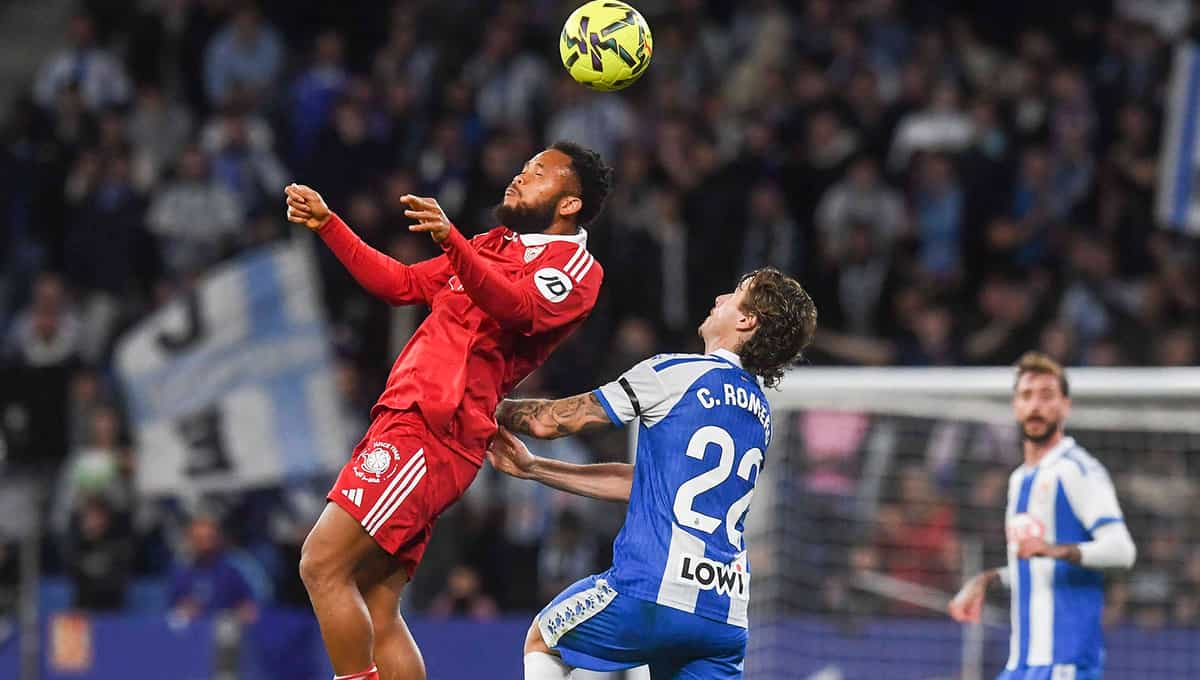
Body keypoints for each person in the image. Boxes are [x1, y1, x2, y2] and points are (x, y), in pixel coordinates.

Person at [284, 140, 613, 680]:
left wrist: (454, 243)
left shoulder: (577, 269)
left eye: (537, 172)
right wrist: (329, 225)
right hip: (407, 417)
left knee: (320, 564)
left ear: (570, 202)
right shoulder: (494, 243)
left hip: (435, 428)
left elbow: (517, 307)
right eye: (523, 165)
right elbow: (403, 285)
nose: (519, 175)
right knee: (377, 604)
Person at [489, 267, 817, 680]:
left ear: (745, 321)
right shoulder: (760, 413)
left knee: (543, 640)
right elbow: (650, 486)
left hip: (650, 592)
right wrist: (536, 468)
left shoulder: (674, 374)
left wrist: (483, 405)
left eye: (734, 294)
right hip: (723, 615)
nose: (719, 298)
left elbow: (550, 422)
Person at [948, 352, 1137, 680]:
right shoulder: (1019, 478)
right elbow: (1037, 565)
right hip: (1022, 664)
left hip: (1064, 663)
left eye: (1047, 396)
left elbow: (1122, 550)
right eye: (1026, 396)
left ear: (1066, 405)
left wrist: (1056, 549)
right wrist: (988, 580)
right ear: (1015, 406)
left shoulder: (1078, 470)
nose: (1035, 406)